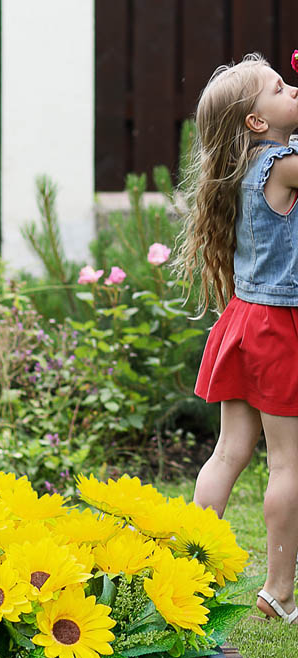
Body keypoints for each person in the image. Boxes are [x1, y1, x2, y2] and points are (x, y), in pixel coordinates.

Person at [179, 53, 298, 623]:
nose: (292, 89)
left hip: (245, 321)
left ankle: (186, 573)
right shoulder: (283, 164)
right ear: (256, 121)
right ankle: (278, 592)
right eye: (281, 87)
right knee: (287, 464)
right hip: (277, 329)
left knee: (229, 452)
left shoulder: (249, 165)